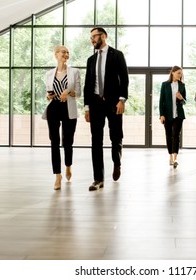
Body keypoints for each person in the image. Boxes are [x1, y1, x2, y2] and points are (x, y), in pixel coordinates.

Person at [84, 27, 129, 191]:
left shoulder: (117, 55)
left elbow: (124, 78)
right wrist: (87, 107)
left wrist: (122, 100)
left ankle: (117, 163)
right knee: (96, 140)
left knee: (115, 136)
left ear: (103, 36)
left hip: (113, 103)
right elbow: (87, 85)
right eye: (90, 38)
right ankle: (98, 179)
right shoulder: (90, 60)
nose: (92, 40)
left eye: (94, 37)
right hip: (95, 103)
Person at [42, 45, 81, 190]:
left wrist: (69, 92)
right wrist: (48, 96)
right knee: (54, 141)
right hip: (54, 108)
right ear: (56, 54)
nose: (66, 54)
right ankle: (57, 175)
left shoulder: (75, 72)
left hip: (68, 109)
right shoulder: (49, 74)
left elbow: (78, 93)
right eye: (63, 52)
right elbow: (48, 93)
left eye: (67, 52)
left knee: (67, 142)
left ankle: (68, 166)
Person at [159, 66, 186, 168]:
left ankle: (175, 158)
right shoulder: (165, 85)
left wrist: (181, 98)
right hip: (167, 115)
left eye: (181, 73)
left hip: (179, 115)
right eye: (179, 73)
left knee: (176, 135)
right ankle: (170, 156)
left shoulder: (182, 85)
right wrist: (161, 115)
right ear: (173, 73)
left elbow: (184, 102)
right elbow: (161, 101)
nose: (180, 75)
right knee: (169, 135)